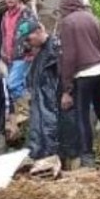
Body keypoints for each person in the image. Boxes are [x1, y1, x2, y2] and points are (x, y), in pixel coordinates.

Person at [56, 0, 100, 167]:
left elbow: (68, 57)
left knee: (82, 116)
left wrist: (67, 89)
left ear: (64, 7)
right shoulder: (92, 19)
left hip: (83, 74)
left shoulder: (67, 23)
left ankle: (87, 157)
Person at [24, 18, 74, 161]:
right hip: (41, 102)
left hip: (53, 103)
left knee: (52, 132)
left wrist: (67, 92)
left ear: (38, 31)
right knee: (39, 131)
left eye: (29, 39)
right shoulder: (41, 53)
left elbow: (66, 74)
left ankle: (55, 158)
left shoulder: (55, 49)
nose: (28, 43)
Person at [0, 0, 35, 100]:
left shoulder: (26, 13)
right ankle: (23, 106)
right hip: (9, 56)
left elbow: (34, 31)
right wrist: (3, 51)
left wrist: (28, 50)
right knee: (18, 86)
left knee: (11, 84)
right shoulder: (5, 16)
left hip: (23, 55)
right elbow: (4, 35)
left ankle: (26, 102)